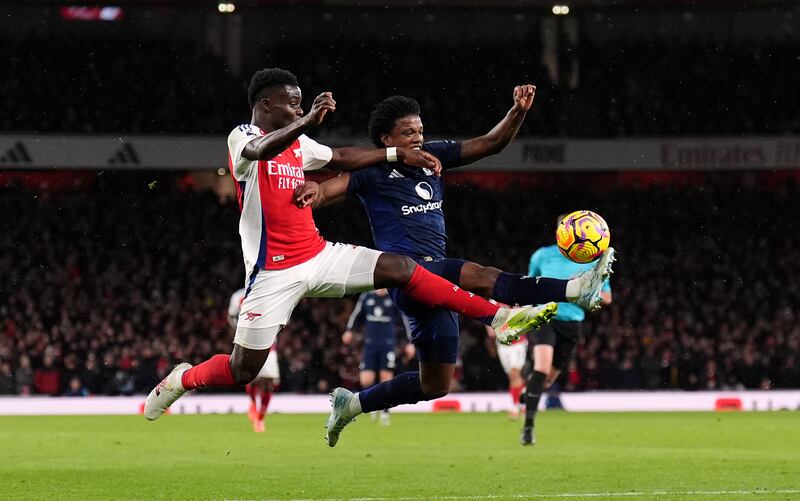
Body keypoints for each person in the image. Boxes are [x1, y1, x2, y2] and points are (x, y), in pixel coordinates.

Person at [143, 68, 559, 441]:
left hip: (319, 255)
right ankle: (183, 379)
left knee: (402, 267)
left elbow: (342, 158)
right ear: (265, 104)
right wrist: (308, 121)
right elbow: (261, 152)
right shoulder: (243, 138)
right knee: (242, 370)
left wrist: (397, 154)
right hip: (272, 273)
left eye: (301, 103)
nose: (299, 108)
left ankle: (497, 316)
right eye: (291, 102)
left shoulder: (300, 144)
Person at [295, 88, 616, 446]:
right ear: (387, 140)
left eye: (419, 130)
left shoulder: (435, 155)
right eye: (408, 133)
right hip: (407, 276)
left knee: (435, 384)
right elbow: (328, 190)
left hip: (440, 286)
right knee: (483, 276)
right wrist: (313, 192)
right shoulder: (372, 171)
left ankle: (351, 404)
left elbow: (491, 143)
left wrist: (517, 111)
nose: (418, 138)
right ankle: (573, 289)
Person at [520, 218, 613, 446]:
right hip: (545, 317)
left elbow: (607, 297)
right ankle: (528, 427)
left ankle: (528, 387)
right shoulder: (542, 255)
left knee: (548, 379)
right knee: (542, 369)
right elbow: (527, 285)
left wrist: (582, 290)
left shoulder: (594, 262)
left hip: (572, 324)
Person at [343, 288, 413, 425]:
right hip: (370, 345)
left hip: (387, 345)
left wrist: (410, 342)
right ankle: (374, 403)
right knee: (366, 380)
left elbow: (404, 320)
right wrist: (349, 330)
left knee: (385, 378)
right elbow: (357, 315)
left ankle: (385, 412)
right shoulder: (367, 297)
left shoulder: (393, 297)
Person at [229, 288, 280, 433]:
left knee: (268, 382)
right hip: (246, 342)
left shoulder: (270, 291)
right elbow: (231, 316)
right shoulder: (238, 296)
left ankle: (260, 418)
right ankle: (252, 403)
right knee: (250, 377)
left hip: (269, 342)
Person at [486, 324, 528, 420]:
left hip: (518, 343)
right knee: (512, 377)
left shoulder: (516, 307)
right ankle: (523, 405)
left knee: (515, 373)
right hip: (502, 345)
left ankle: (516, 407)